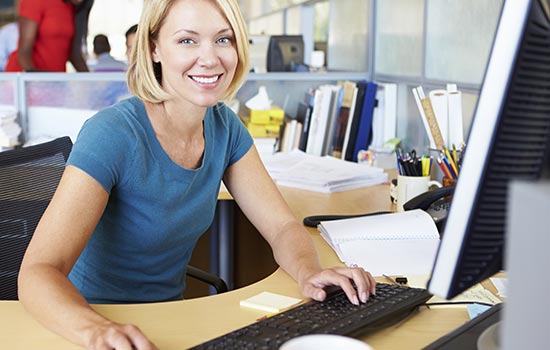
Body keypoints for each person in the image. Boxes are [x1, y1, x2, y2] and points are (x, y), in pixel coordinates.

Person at [18, 0, 376, 349]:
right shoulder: (112, 133)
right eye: (187, 40)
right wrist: (96, 331)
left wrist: (308, 272)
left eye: (224, 39)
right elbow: (38, 272)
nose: (210, 58)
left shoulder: (225, 128)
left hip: (173, 319)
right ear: (154, 48)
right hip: (90, 326)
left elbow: (282, 227)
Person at [5, 0, 89, 72]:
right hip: (25, 78)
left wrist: (95, 83)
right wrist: (39, 82)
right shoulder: (36, 2)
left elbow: (74, 55)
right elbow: (24, 53)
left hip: (53, 80)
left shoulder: (73, 7)